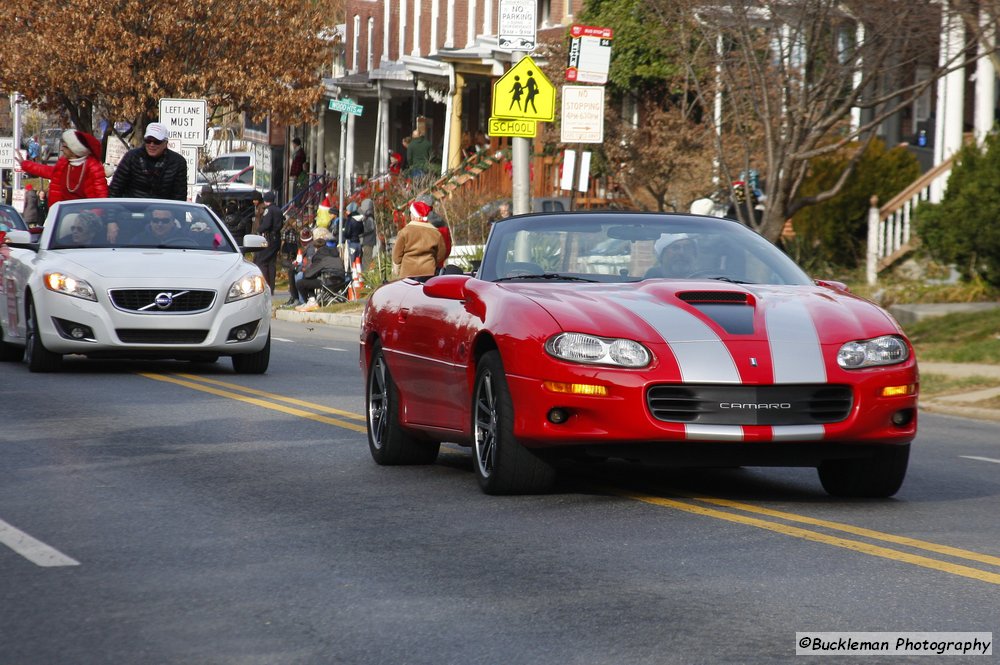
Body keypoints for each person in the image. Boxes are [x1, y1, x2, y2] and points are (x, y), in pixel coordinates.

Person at [14, 129, 108, 205]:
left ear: (75, 150)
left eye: (65, 147)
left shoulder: (93, 167)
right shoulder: (63, 164)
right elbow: (47, 171)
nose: (62, 149)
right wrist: (25, 164)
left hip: (87, 217)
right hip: (62, 215)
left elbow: (101, 196)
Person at [108, 122, 188, 201]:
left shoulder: (178, 163)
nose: (151, 145)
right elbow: (115, 189)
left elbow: (179, 197)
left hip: (163, 211)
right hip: (131, 210)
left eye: (157, 142)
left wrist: (168, 212)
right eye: (148, 140)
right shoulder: (131, 157)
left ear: (165, 143)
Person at [392, 200, 447, 279]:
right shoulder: (436, 233)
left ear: (414, 216)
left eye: (411, 213)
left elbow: (396, 255)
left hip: (408, 274)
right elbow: (441, 254)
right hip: (429, 273)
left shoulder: (404, 232)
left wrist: (397, 268)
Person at [295, 228, 346, 312]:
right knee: (310, 278)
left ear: (317, 248)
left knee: (302, 282)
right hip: (342, 282)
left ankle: (311, 301)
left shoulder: (320, 256)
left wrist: (303, 270)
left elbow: (308, 274)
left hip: (328, 282)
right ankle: (312, 302)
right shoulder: (335, 253)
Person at [254, 191, 283, 293]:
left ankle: (265, 286)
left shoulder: (268, 210)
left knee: (262, 261)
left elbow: (266, 224)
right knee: (271, 263)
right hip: (276, 238)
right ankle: (271, 287)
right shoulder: (279, 210)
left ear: (266, 200)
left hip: (269, 238)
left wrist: (258, 230)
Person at [285, 226, 318, 307]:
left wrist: (298, 268)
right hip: (311, 269)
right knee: (292, 270)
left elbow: (309, 266)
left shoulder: (311, 249)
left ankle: (300, 300)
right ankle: (295, 297)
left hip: (312, 271)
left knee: (297, 274)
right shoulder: (310, 246)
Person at [358, 198, 377, 270]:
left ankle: (366, 275)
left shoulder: (369, 219)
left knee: (366, 260)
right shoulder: (369, 218)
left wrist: (359, 232)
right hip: (367, 242)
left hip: (368, 242)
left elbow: (368, 229)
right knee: (365, 259)